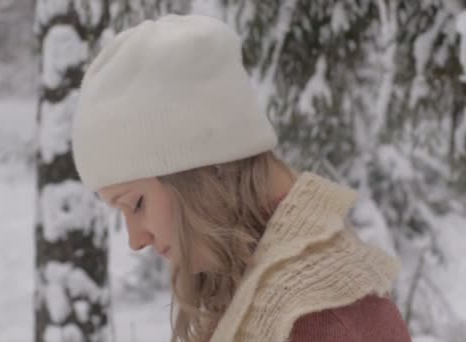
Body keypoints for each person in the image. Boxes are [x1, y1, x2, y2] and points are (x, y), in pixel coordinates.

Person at [71, 14, 412, 342]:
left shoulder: (322, 321)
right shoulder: (254, 291)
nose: (136, 239)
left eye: (136, 203)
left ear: (199, 171)